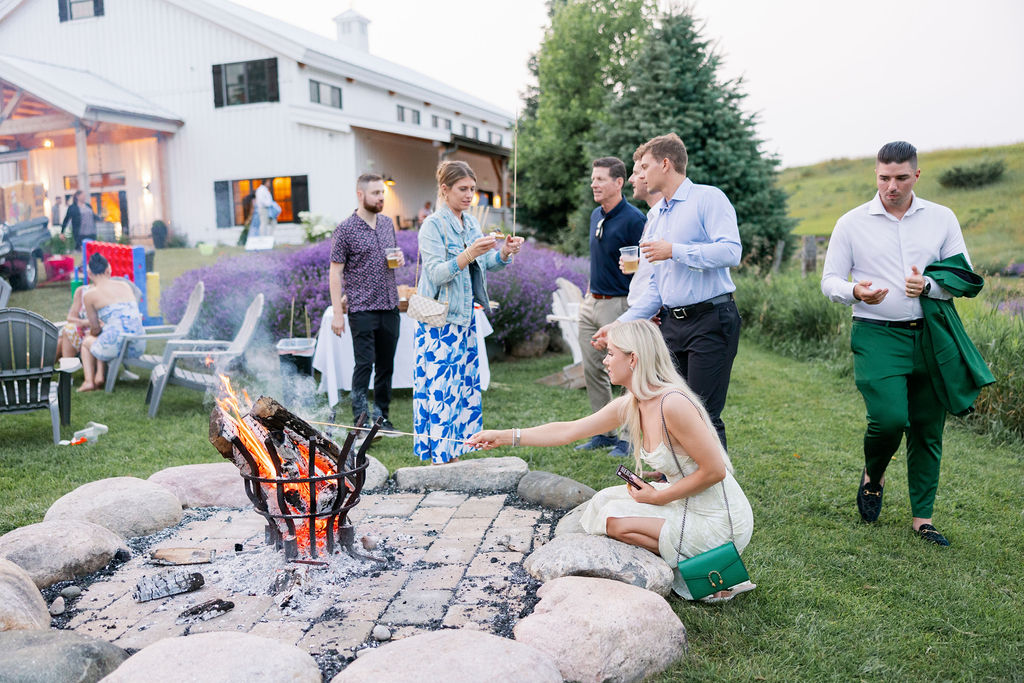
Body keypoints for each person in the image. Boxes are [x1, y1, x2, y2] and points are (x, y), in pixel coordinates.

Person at [469, 320, 754, 601]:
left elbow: (715, 470)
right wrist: (505, 436)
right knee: (603, 501)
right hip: (684, 501)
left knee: (615, 520)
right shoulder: (633, 403)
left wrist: (658, 498)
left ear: (634, 359)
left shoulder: (673, 403)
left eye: (611, 353)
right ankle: (679, 562)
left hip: (719, 518)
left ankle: (703, 571)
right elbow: (569, 431)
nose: (605, 361)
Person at [821, 141, 983, 546]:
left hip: (932, 335)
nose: (891, 186)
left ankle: (922, 519)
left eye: (900, 178)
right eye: (883, 178)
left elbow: (963, 276)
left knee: (928, 428)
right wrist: (856, 291)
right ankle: (873, 476)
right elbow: (829, 281)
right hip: (876, 334)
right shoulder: (851, 222)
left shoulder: (942, 219)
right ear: (876, 174)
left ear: (916, 175)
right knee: (889, 419)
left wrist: (928, 284)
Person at [593, 133, 742, 451]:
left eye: (645, 166)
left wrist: (675, 250)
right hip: (673, 326)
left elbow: (731, 252)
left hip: (711, 319)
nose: (641, 174)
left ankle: (719, 494)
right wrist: (621, 324)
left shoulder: (708, 198)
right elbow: (656, 289)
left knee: (702, 414)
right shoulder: (656, 215)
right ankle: (678, 487)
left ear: (666, 163)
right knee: (671, 410)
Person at [414, 160, 524, 464]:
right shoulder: (432, 225)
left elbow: (484, 265)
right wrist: (468, 254)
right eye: (463, 189)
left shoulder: (471, 223)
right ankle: (441, 457)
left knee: (461, 389)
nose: (469, 195)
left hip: (464, 318)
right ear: (445, 189)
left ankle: (457, 450)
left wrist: (503, 253)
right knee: (440, 390)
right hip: (439, 320)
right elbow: (435, 274)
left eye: (473, 189)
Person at [576, 157, 646, 458]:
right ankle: (604, 433)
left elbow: (649, 266)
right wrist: (589, 294)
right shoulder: (595, 215)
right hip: (592, 303)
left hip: (620, 305)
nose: (594, 183)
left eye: (601, 179)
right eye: (593, 178)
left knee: (626, 373)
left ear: (619, 183)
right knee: (592, 369)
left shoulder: (635, 219)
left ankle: (629, 438)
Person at [329, 173, 404, 435]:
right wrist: (337, 313)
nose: (381, 197)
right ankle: (359, 422)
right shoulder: (345, 229)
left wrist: (397, 260)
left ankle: (382, 419)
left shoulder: (386, 224)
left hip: (389, 305)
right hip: (361, 308)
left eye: (382, 193)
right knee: (364, 365)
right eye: (375, 193)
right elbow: (335, 272)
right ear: (360, 195)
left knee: (386, 366)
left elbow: (387, 259)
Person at [79, 253, 145, 392]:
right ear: (109, 269)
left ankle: (88, 381)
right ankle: (99, 376)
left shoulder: (89, 295)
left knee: (87, 342)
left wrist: (93, 333)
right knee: (108, 333)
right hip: (138, 345)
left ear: (89, 272)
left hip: (117, 347)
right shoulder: (125, 286)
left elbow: (95, 328)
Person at [623, 153, 664, 308]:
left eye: (636, 172)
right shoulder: (652, 216)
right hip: (642, 310)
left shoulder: (665, 217)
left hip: (654, 313)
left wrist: (657, 309)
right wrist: (640, 265)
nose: (631, 179)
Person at [58, 282, 92, 360]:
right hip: (79, 331)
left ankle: (42, 368)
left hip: (91, 334)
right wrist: (84, 323)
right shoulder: (82, 291)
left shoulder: (108, 292)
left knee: (64, 336)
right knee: (63, 336)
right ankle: (42, 367)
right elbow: (70, 318)